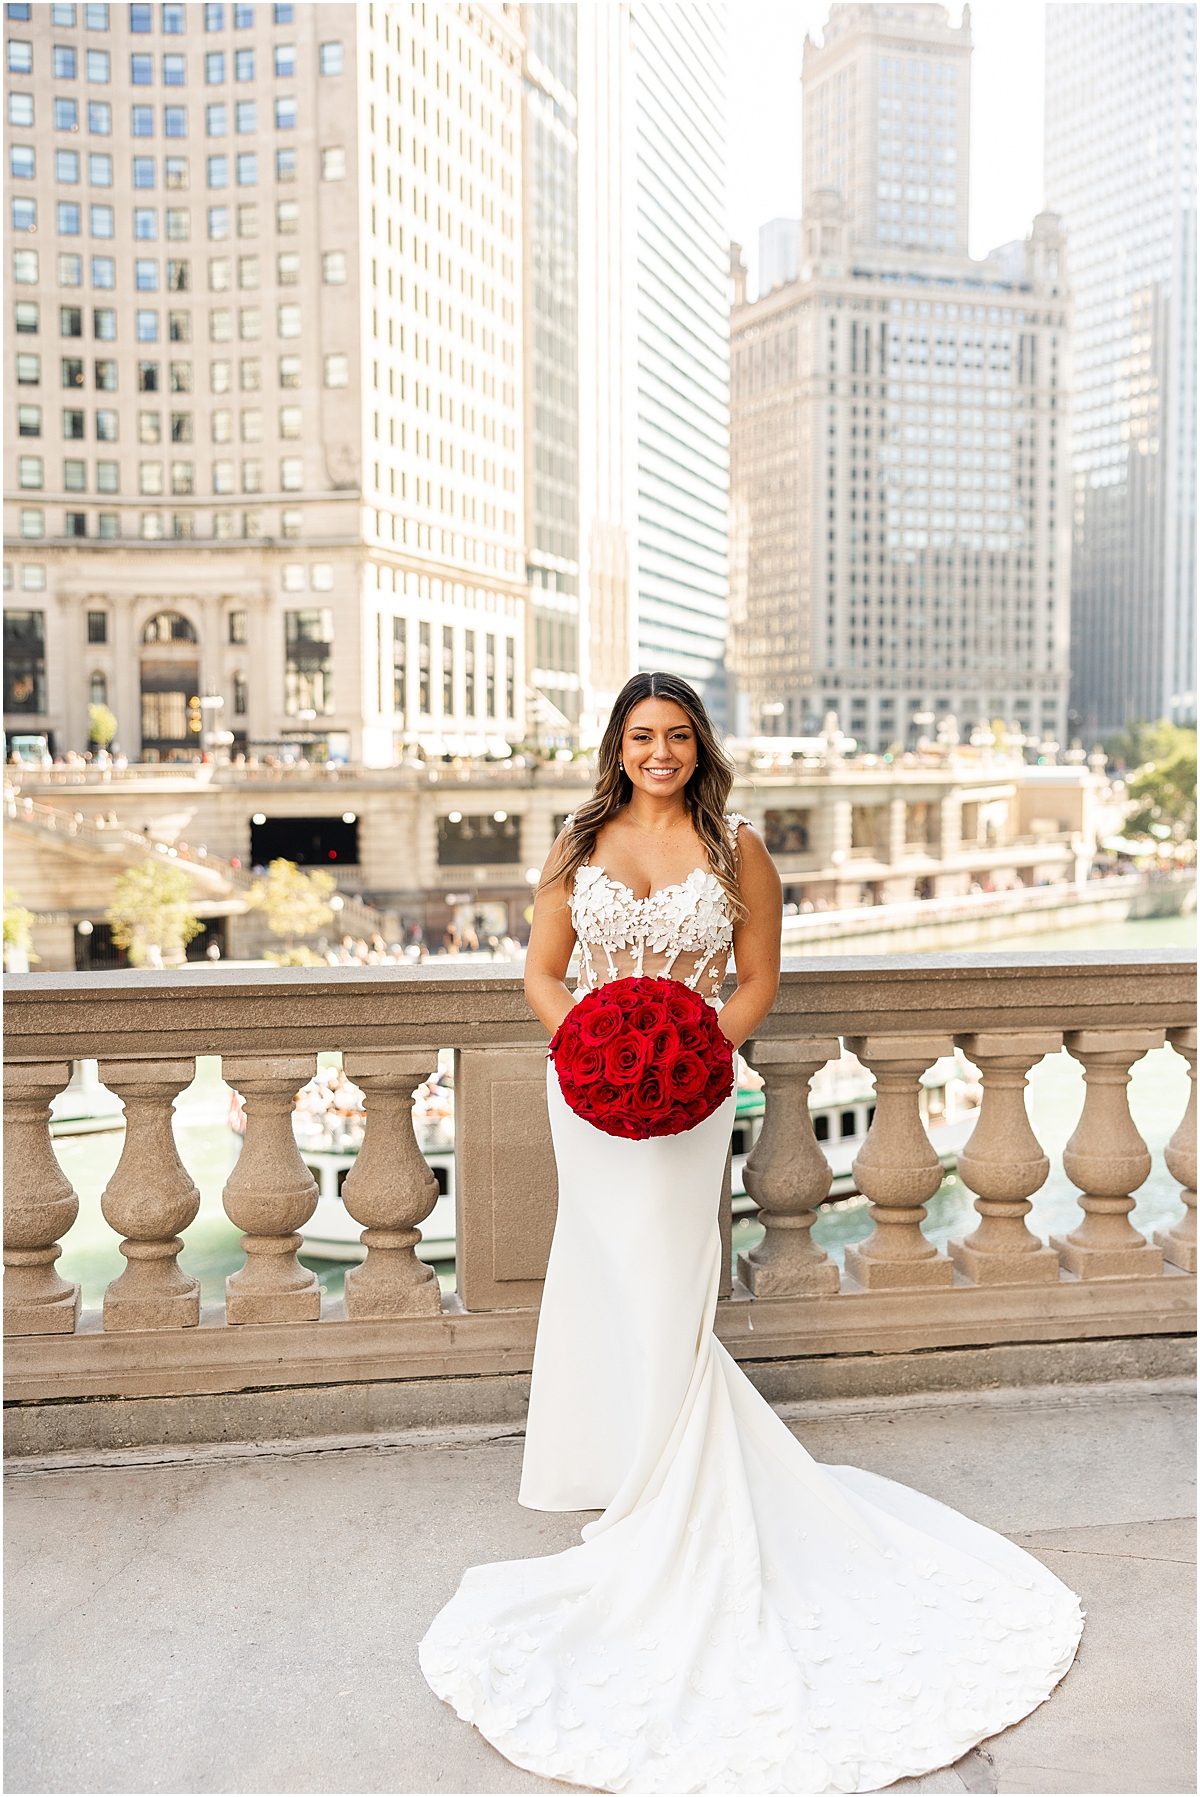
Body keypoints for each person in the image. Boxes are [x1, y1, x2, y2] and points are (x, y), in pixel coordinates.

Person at [419, 671, 1082, 1793]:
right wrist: (590, 1045)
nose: (660, 752)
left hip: (689, 1091)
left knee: (672, 1282)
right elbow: (540, 973)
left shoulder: (739, 850)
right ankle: (624, 1465)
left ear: (700, 745)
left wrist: (689, 1053)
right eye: (643, 736)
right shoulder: (573, 845)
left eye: (678, 735)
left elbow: (760, 976)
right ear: (617, 747)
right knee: (604, 1275)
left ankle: (676, 1488)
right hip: (584, 1092)